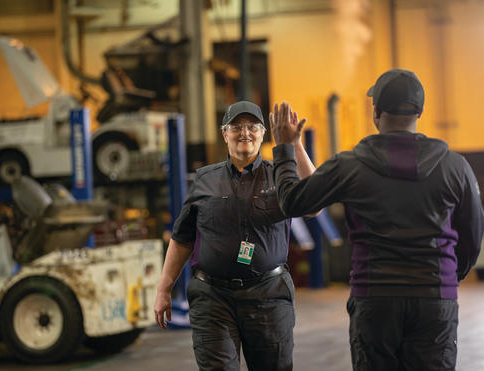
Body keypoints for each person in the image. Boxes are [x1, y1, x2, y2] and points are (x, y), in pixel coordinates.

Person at [270, 69, 484, 371]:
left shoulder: (350, 165)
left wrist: (284, 148)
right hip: (434, 298)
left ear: (377, 112)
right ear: (419, 112)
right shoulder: (454, 166)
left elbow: (293, 201)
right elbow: (473, 233)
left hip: (375, 298)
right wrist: (448, 277)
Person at [154, 100, 315, 370]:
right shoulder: (204, 179)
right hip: (213, 298)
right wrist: (163, 288)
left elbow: (313, 205)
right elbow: (182, 238)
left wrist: (294, 143)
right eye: (236, 126)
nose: (245, 133)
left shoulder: (280, 175)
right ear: (224, 133)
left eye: (252, 126)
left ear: (264, 133)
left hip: (268, 296)